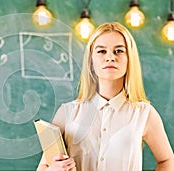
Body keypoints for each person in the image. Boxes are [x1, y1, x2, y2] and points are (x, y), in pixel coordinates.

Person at [37, 22, 174, 171]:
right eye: (101, 51)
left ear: (129, 59)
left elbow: (167, 160)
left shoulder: (144, 113)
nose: (110, 57)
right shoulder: (67, 112)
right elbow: (43, 167)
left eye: (119, 51)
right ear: (91, 61)